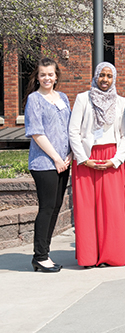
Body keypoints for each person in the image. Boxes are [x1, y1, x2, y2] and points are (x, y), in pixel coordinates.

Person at [69, 62, 125, 267]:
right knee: (87, 209)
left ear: (114, 79)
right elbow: (73, 132)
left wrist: (116, 160)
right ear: (95, 76)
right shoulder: (82, 99)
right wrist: (83, 159)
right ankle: (89, 256)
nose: (105, 79)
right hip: (87, 159)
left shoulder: (121, 102)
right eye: (101, 75)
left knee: (112, 210)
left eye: (109, 76)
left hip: (111, 159)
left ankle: (110, 255)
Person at [24, 58, 71, 272]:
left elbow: (69, 128)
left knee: (55, 208)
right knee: (47, 208)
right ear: (37, 76)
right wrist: (56, 158)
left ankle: (46, 253)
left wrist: (69, 154)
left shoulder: (62, 97)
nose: (47, 78)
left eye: (50, 74)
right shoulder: (34, 100)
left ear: (56, 76)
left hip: (64, 161)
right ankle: (39, 256)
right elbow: (36, 133)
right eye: (43, 74)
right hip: (44, 163)